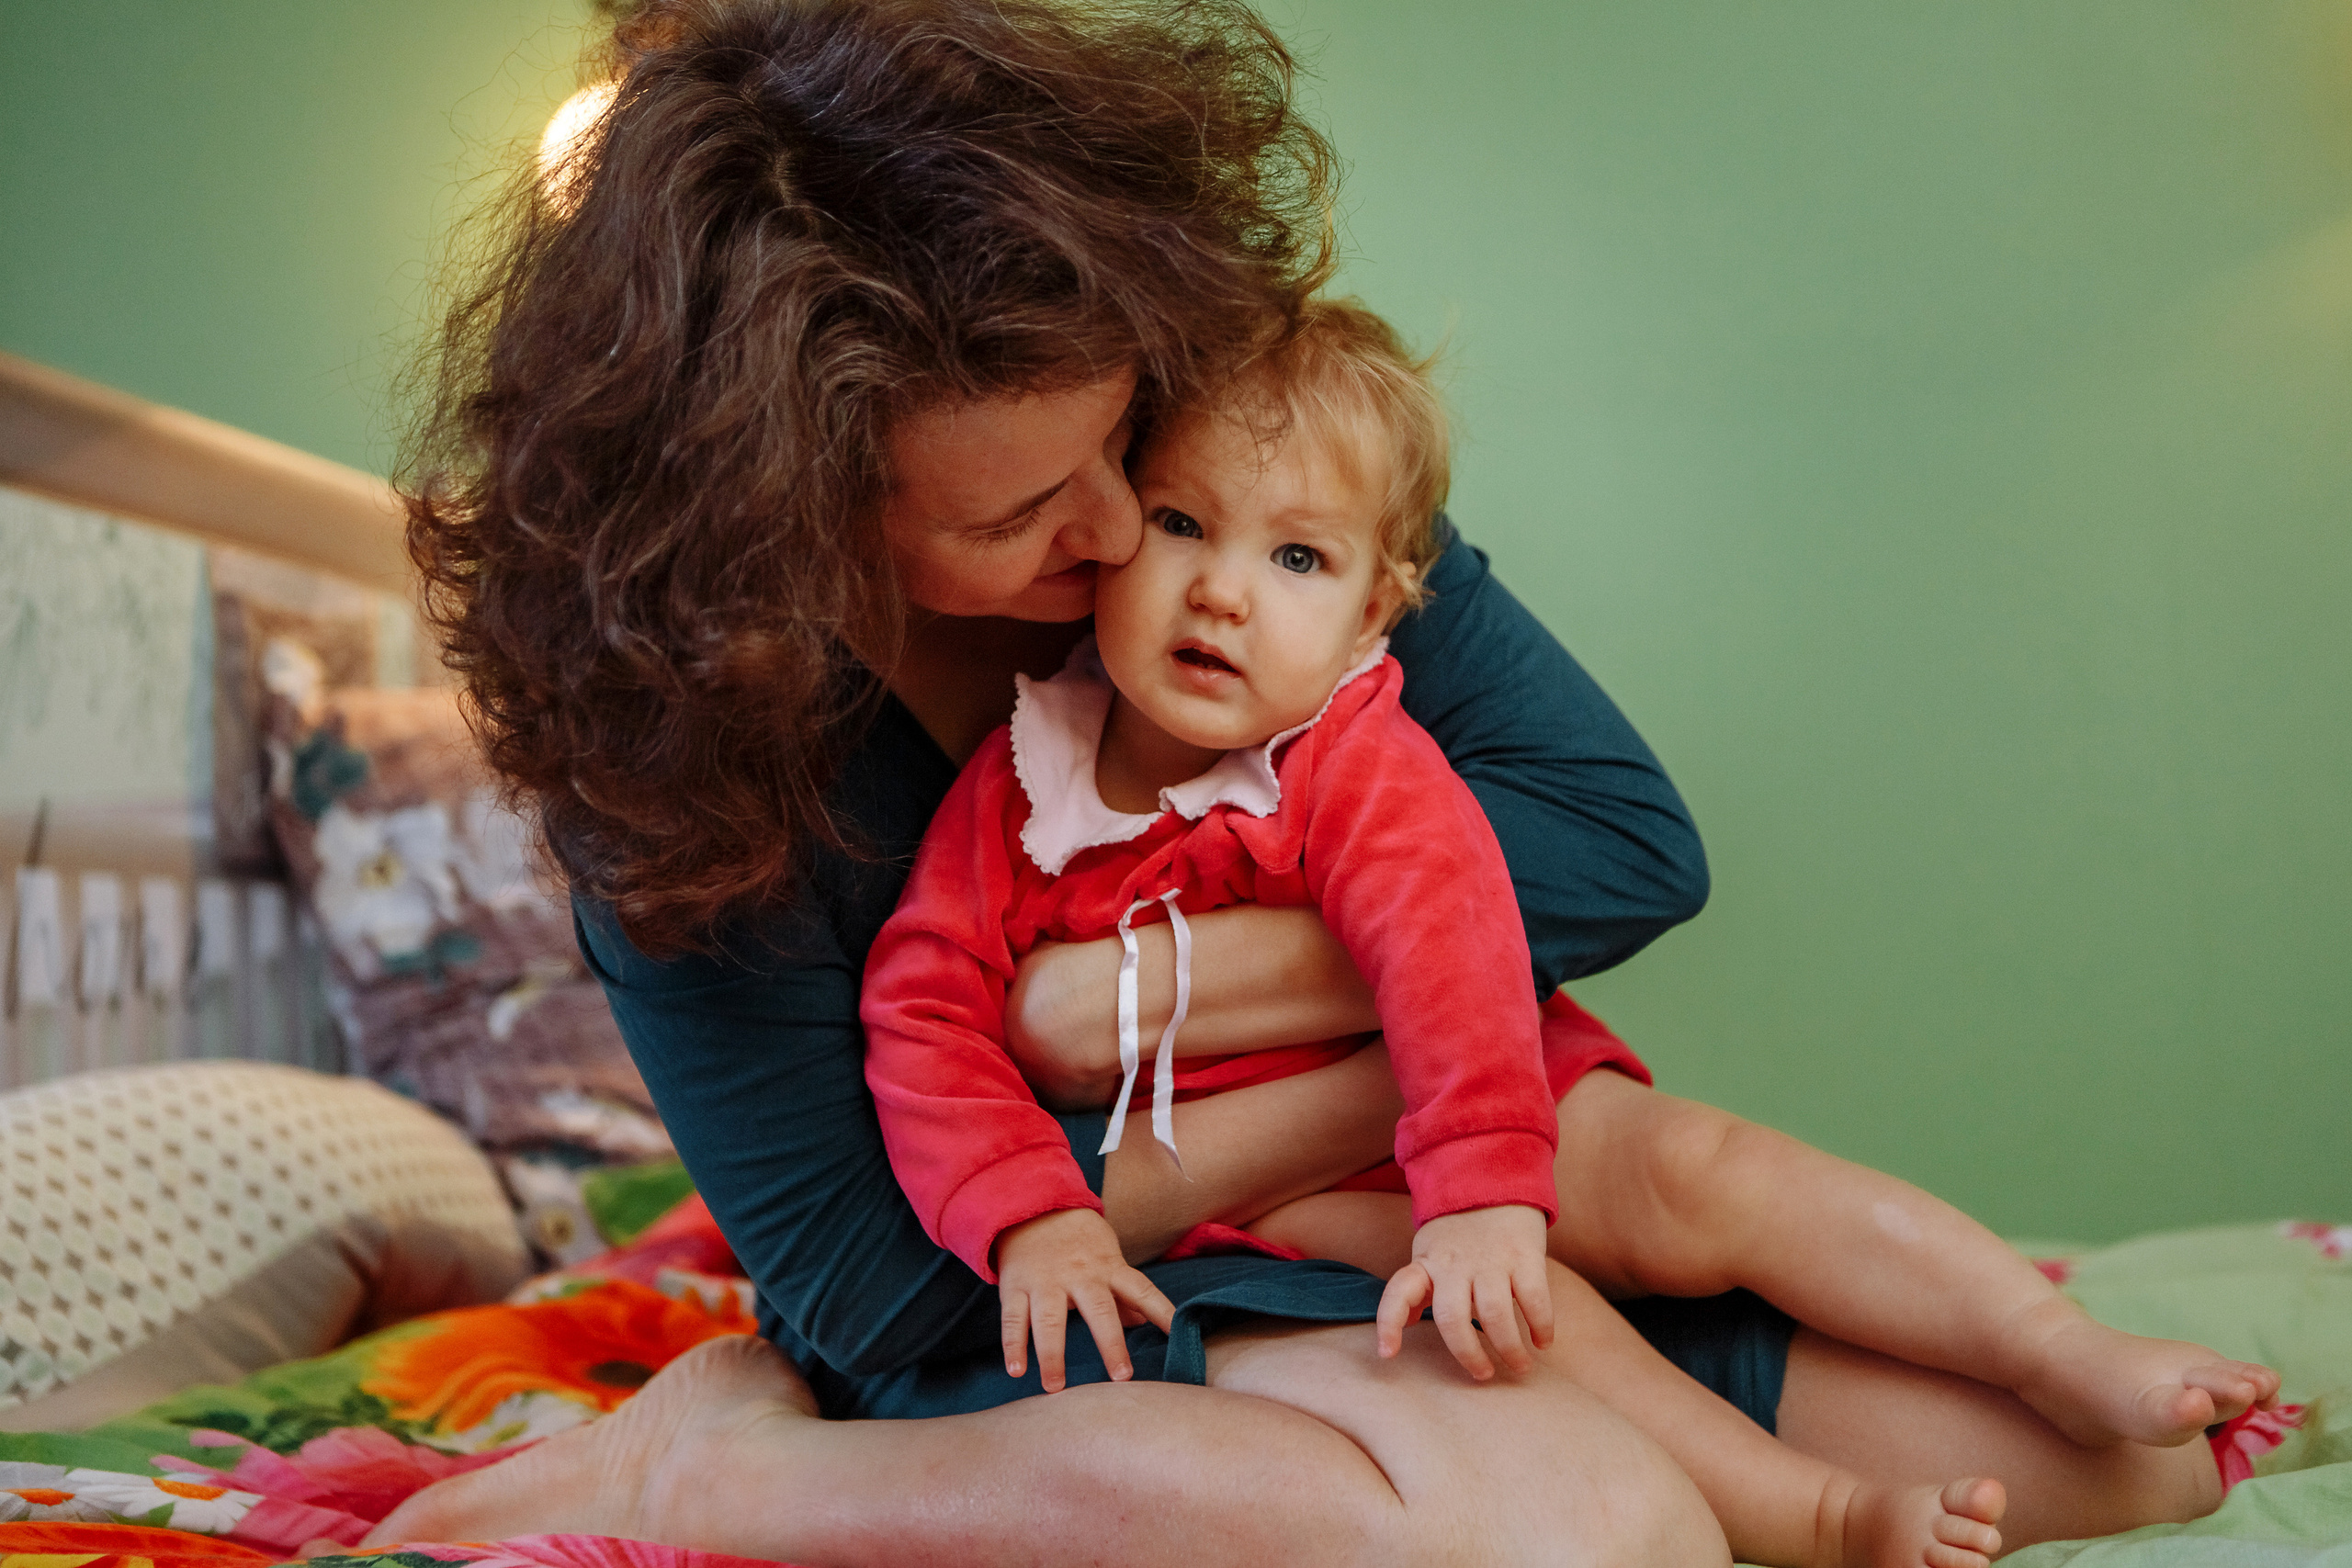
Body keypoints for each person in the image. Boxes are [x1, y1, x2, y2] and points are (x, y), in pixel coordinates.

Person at [374, 1, 2241, 1562]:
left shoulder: (1223, 485)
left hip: (1403, 1185)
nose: (1126, 535)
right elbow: (888, 1298)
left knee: (2122, 1469)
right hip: (1029, 1298)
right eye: (1028, 512)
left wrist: (1121, 1009)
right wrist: (1340, 1096)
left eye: (1118, 447)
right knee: (1600, 1530)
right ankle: (742, 1472)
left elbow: (1614, 839)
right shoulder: (684, 757)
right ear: (788, 528)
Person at [858, 299, 2279, 1567]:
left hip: (1477, 1094)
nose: (1222, 589)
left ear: (1376, 616)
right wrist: (1033, 1219)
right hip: (1278, 1203)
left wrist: (1481, 1185)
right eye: (1182, 525)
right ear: (1111, 536)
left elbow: (1454, 947)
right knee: (1521, 1334)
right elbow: (922, 1012)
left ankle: (2053, 1343)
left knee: (1701, 1171)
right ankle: (1821, 1518)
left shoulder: (1351, 758)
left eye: (1295, 555)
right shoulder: (1023, 781)